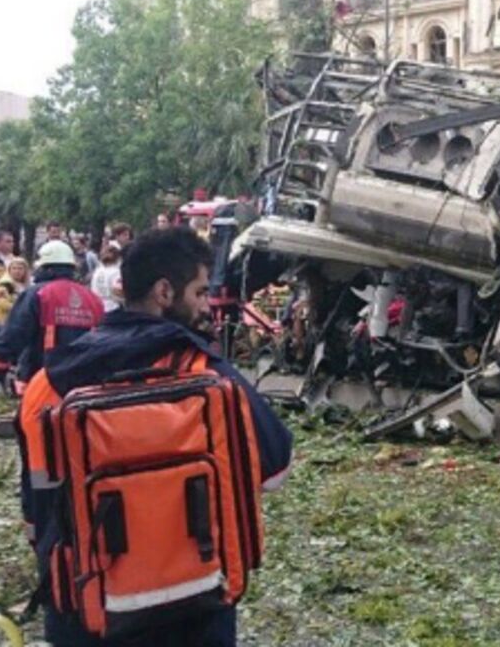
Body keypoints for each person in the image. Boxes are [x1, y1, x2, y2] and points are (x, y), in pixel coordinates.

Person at [16, 227, 293, 646]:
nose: (207, 306)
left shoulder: (48, 383)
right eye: (200, 292)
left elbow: (38, 511)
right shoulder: (208, 374)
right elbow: (275, 471)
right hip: (195, 608)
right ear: (165, 292)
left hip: (89, 609)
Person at [0, 241, 104, 392]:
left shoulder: (38, 293)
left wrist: (0, 361)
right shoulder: (92, 298)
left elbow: (16, 332)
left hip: (43, 379)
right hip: (84, 382)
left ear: (44, 267)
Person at [0, 257, 29, 329]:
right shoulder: (5, 285)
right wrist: (21, 308)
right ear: (9, 270)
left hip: (21, 321)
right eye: (14, 268)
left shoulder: (27, 285)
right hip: (4, 322)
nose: (17, 271)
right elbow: (1, 303)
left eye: (20, 268)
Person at [89, 242, 122, 313]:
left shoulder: (97, 271)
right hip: (112, 307)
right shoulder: (116, 272)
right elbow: (118, 292)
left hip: (97, 306)